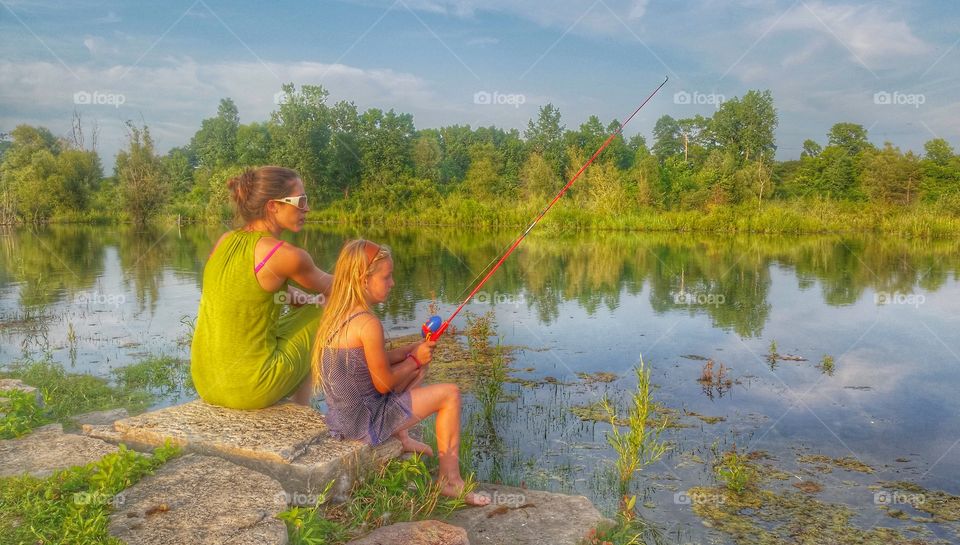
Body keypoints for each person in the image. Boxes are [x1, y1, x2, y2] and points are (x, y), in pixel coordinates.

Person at [314, 239, 490, 506]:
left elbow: (369, 364)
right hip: (365, 422)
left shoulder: (336, 314)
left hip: (342, 417)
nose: (393, 283)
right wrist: (413, 360)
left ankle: (402, 437)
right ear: (363, 280)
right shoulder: (368, 323)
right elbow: (383, 383)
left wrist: (409, 350)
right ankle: (450, 481)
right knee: (450, 394)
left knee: (414, 368)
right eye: (387, 277)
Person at [191, 166, 333, 410]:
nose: (306, 208)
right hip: (250, 388)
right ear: (273, 206)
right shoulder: (285, 255)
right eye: (301, 201)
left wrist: (302, 301)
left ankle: (299, 406)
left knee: (310, 308)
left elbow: (246, 291)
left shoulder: (225, 241)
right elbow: (342, 287)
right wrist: (365, 264)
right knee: (331, 306)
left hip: (205, 382)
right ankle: (300, 408)